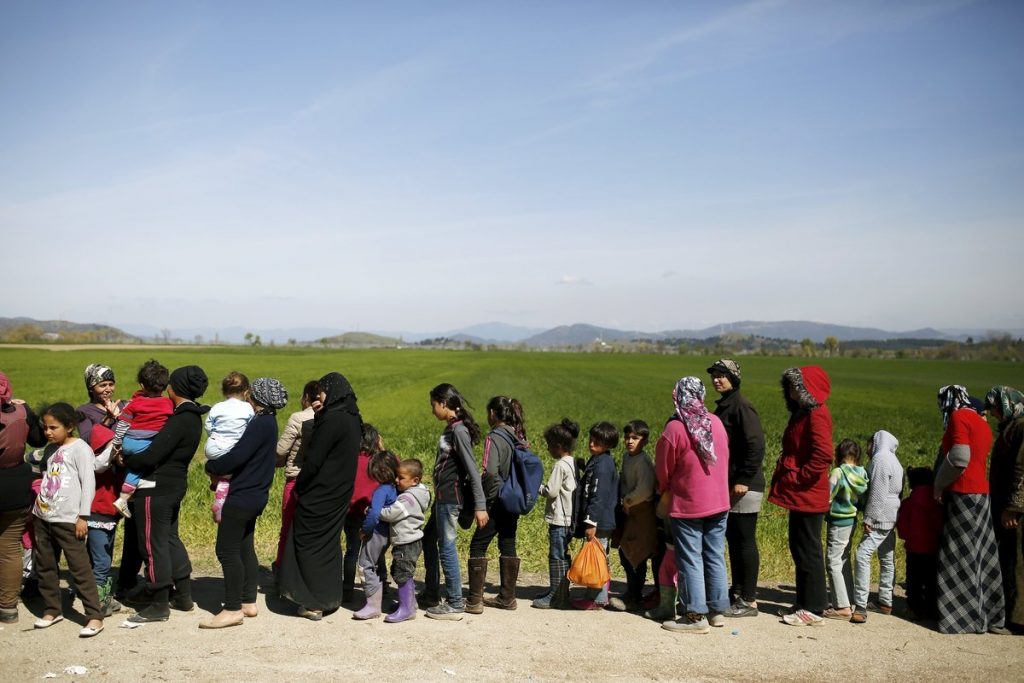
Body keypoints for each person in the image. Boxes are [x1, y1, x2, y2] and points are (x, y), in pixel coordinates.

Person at [122, 365, 210, 623]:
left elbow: (152, 455)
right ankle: (183, 595)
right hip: (174, 485)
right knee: (170, 539)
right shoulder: (193, 416)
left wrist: (126, 460)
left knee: (152, 544)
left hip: (155, 488)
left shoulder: (180, 419)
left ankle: (158, 602)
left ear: (174, 388)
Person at [201, 377, 287, 629]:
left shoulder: (260, 424)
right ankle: (248, 601)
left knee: (226, 550)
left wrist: (211, 466)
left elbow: (236, 457)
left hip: (242, 495)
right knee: (244, 547)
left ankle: (232, 608)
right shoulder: (268, 422)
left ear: (256, 397)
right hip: (256, 494)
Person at [278, 372, 362, 620]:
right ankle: (330, 597)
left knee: (308, 544)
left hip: (320, 492)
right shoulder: (352, 418)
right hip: (340, 492)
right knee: (328, 544)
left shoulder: (331, 420)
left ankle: (313, 602)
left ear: (332, 392)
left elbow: (314, 460)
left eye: (321, 392)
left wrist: (301, 485)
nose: (318, 396)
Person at [656, 377, 731, 634]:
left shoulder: (675, 429)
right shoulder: (717, 423)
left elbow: (663, 471)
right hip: (720, 502)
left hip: (688, 504)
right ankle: (717, 611)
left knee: (690, 558)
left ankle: (695, 615)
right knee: (714, 554)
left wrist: (665, 490)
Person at [26, 403, 103, 637]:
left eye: (54, 427)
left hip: (69, 519)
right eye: (45, 428)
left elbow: (89, 483)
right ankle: (52, 609)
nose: (48, 432)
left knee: (79, 568)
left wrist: (83, 516)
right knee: (46, 566)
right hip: (43, 516)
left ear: (69, 426)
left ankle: (94, 616)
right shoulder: (50, 450)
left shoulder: (80, 449)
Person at [933, 384, 1006, 634]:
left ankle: (959, 619)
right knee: (982, 554)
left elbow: (960, 458)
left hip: (963, 492)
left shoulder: (959, 417)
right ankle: (989, 614)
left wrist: (939, 485)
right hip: (981, 493)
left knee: (958, 555)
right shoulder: (980, 422)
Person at [769, 365, 833, 627]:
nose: (792, 390)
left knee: (808, 549)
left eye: (797, 386)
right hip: (801, 493)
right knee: (799, 546)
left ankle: (814, 607)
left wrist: (799, 477)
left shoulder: (817, 415)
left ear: (808, 389)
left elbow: (823, 455)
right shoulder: (801, 413)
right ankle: (805, 600)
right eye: (791, 385)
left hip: (809, 493)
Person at [421, 383, 487, 621]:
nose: (432, 410)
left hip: (451, 498)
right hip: (442, 498)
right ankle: (431, 593)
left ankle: (455, 603)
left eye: (433, 405)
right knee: (428, 539)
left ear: (444, 404)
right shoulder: (452, 428)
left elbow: (472, 469)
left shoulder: (458, 431)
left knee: (446, 547)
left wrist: (480, 506)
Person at [707, 359, 766, 618]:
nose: (717, 380)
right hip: (731, 485)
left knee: (744, 541)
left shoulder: (742, 407)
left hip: (745, 485)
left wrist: (743, 478)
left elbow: (756, 445)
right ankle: (739, 591)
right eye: (715, 376)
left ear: (734, 378)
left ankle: (749, 600)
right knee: (734, 540)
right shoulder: (726, 406)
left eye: (722, 376)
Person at [466, 396, 527, 613]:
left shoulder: (494, 437)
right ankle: (507, 597)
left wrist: (485, 501)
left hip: (496, 500)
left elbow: (491, 472)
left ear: (493, 413)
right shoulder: (517, 436)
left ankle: (474, 601)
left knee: (478, 545)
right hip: (513, 499)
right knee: (508, 544)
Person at [0, 371, 46, 624]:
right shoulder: (21, 411)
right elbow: (38, 439)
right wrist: (25, 408)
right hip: (16, 486)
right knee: (9, 550)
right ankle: (8, 606)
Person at [851, 430, 903, 623]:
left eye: (869, 444)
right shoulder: (894, 460)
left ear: (875, 442)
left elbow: (878, 492)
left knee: (862, 553)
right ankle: (885, 601)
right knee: (886, 556)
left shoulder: (880, 459)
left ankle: (861, 605)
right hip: (892, 512)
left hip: (881, 514)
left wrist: (870, 518)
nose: (867, 449)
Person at [111, 360, 173, 518]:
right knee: (141, 468)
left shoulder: (133, 404)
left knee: (133, 468)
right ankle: (124, 498)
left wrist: (117, 444)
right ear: (165, 386)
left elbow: (122, 425)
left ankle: (128, 492)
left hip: (128, 442)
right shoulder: (168, 404)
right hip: (145, 444)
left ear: (142, 385)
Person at [985, 385, 1024, 628]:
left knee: (1017, 561)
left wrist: (1014, 507)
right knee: (1009, 558)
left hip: (1016, 510)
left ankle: (1018, 619)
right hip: (1006, 505)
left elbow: (1021, 469)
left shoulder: (1020, 427)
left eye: (997, 409)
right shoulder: (1012, 427)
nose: (994, 414)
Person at [609, 420, 657, 613]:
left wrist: (627, 501)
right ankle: (632, 592)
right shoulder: (627, 457)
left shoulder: (643, 461)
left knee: (636, 553)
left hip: (641, 512)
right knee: (626, 551)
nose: (630, 441)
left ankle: (635, 596)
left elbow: (644, 490)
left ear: (644, 441)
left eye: (635, 438)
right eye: (627, 437)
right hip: (629, 511)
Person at [572, 421, 620, 611]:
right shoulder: (599, 460)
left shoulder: (603, 464)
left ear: (608, 444)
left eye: (597, 441)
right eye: (591, 439)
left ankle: (596, 598)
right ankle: (600, 595)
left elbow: (598, 496)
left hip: (600, 520)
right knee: (600, 556)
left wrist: (591, 522)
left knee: (597, 559)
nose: (591, 443)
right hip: (601, 519)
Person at [532, 418, 579, 610]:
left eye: (549, 445)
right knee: (562, 554)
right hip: (569, 518)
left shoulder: (560, 465)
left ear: (558, 446)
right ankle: (559, 592)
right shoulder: (572, 462)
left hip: (559, 518)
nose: (548, 449)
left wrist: (538, 487)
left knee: (556, 555)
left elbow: (551, 491)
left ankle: (556, 595)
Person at [377, 458, 431, 623]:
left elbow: (391, 513)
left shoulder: (407, 498)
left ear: (415, 480)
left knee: (403, 573)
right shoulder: (420, 493)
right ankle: (409, 603)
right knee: (399, 570)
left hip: (406, 542)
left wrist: (374, 510)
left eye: (401, 478)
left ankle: (407, 609)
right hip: (410, 541)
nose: (396, 480)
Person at [272, 380, 318, 574]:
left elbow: (281, 449)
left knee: (288, 528)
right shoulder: (333, 418)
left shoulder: (298, 418)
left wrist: (279, 461)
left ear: (306, 398)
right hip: (318, 482)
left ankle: (282, 568)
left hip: (296, 479)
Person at [822, 439, 868, 620]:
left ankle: (842, 606)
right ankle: (848, 598)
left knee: (832, 561)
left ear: (839, 454)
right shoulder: (862, 473)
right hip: (852, 520)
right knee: (843, 559)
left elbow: (826, 496)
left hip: (838, 520)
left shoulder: (838, 472)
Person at [353, 450, 400, 620]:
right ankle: (377, 600)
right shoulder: (396, 488)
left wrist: (365, 530)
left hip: (376, 533)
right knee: (376, 564)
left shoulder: (382, 490)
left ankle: (372, 605)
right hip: (388, 533)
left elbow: (373, 515)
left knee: (365, 565)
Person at [343, 423, 387, 604]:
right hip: (375, 513)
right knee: (378, 553)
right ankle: (382, 586)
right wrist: (383, 449)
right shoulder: (379, 461)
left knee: (351, 552)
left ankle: (347, 590)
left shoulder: (349, 460)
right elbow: (397, 466)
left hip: (352, 512)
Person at [204, 372, 255, 524]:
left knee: (217, 467)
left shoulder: (218, 406)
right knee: (230, 473)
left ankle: (215, 482)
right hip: (232, 448)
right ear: (246, 392)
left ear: (224, 391)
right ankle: (220, 499)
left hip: (212, 447)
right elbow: (251, 427)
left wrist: (215, 436)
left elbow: (208, 425)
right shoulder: (247, 407)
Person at [896, 466, 943, 621]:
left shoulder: (908, 503)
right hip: (933, 548)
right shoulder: (938, 504)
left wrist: (908, 536)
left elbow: (902, 529)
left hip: (914, 548)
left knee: (914, 580)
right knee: (931, 580)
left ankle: (914, 608)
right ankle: (931, 609)